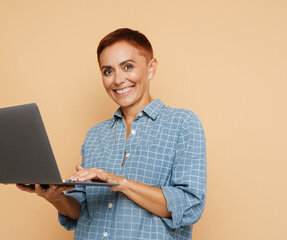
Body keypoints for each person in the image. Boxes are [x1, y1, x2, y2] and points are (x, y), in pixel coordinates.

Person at [17, 28, 207, 240]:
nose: (118, 79)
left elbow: (189, 206)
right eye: (108, 71)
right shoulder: (95, 135)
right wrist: (55, 197)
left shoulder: (182, 123)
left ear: (151, 68)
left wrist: (119, 183)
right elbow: (82, 211)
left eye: (128, 66)